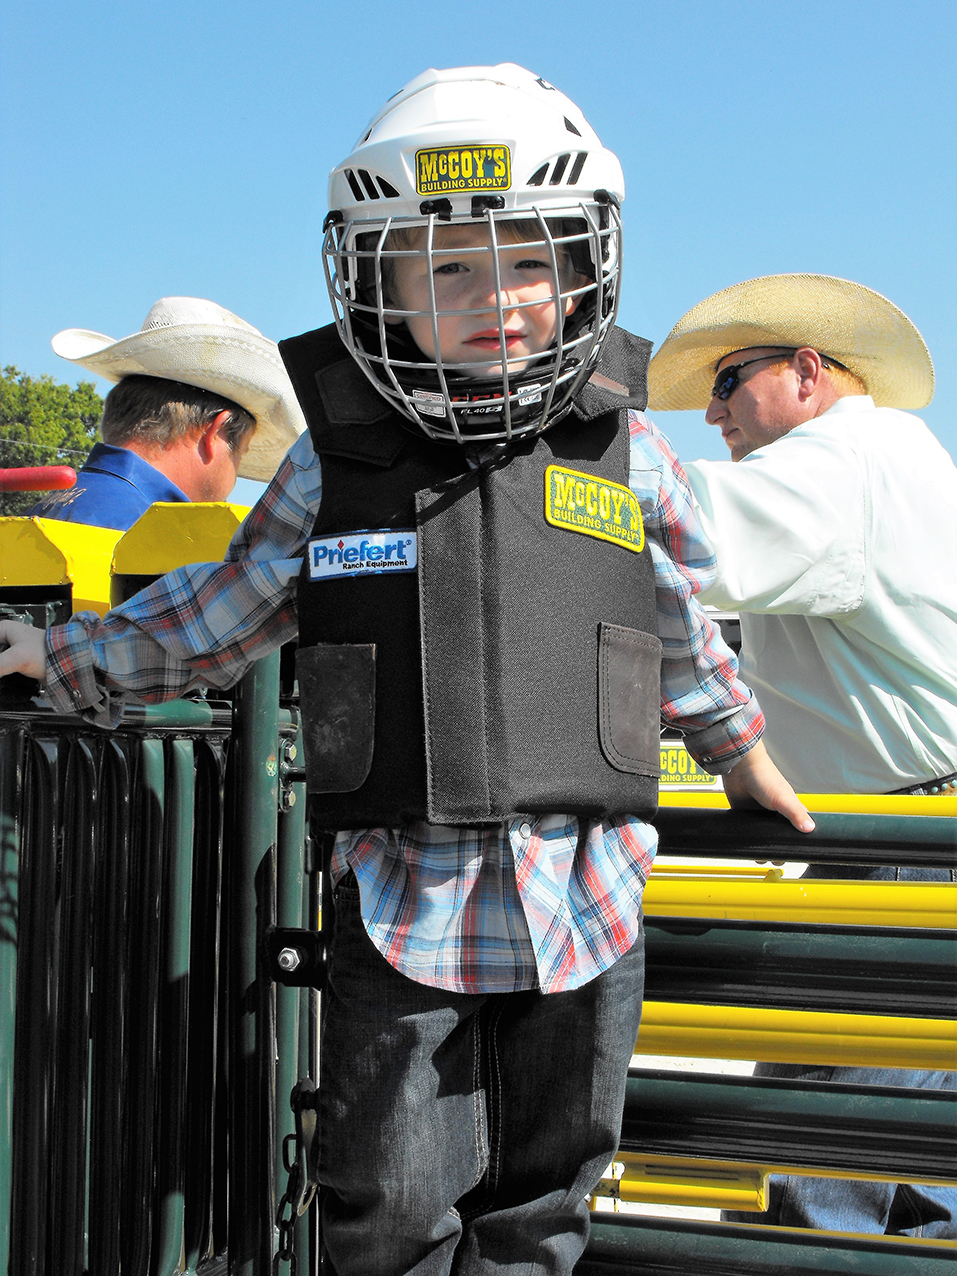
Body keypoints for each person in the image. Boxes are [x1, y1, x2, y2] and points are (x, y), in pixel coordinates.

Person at [0, 68, 812, 1275]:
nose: (501, 299)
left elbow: (679, 629)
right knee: (385, 1204)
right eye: (448, 270)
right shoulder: (335, 467)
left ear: (584, 271)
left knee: (548, 1204)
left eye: (530, 262)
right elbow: (210, 620)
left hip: (589, 899)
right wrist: (49, 655)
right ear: (378, 288)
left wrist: (744, 756)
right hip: (401, 902)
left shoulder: (628, 444)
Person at [648, 272, 957, 1238]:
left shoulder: (834, 461)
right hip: (917, 817)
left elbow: (691, 537)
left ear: (808, 372)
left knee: (819, 1137)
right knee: (899, 1138)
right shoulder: (892, 455)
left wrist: (566, 466)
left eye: (730, 379)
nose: (711, 410)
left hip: (902, 840)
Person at [27, 296, 306, 529]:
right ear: (215, 432)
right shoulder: (165, 539)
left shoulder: (41, 512)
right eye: (240, 453)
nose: (234, 479)